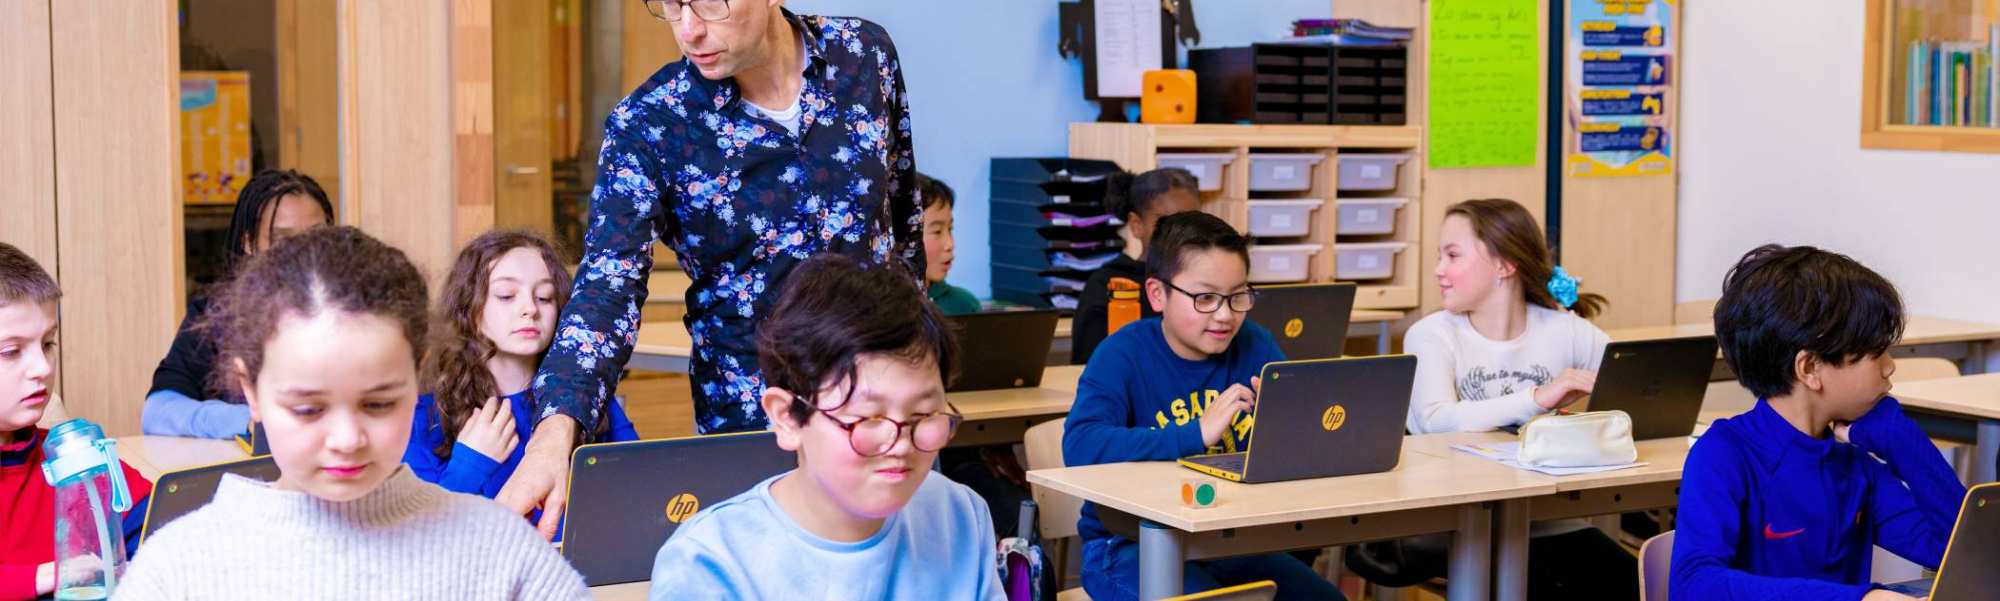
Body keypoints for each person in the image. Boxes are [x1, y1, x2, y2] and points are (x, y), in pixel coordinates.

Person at [508, 0, 923, 538]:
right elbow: (606, 290)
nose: (689, 30)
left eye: (709, 4)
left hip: (882, 408)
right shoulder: (650, 125)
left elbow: (903, 221)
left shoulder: (864, 55)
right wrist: (554, 429)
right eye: (669, 6)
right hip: (756, 422)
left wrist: (922, 373)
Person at [116, 227, 588, 600]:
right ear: (251, 392)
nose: (346, 438)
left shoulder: (501, 548)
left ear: (417, 372)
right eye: (307, 408)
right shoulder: (181, 570)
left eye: (379, 403)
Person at [649, 254, 1002, 600]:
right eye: (869, 418)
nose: (900, 444)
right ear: (786, 417)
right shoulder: (711, 563)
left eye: (924, 414)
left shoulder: (959, 515)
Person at [1062, 213, 1343, 601]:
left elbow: (1303, 440)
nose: (1226, 314)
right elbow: (1080, 447)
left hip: (1229, 543)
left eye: (1238, 295)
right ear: (1158, 294)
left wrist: (1287, 420)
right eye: (1206, 298)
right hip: (1128, 545)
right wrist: (1193, 434)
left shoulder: (1255, 344)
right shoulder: (1122, 354)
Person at [1671, 244, 1962, 601]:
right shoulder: (1724, 453)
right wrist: (1860, 599)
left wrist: (1901, 439)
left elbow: (1955, 553)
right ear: (1809, 369)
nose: (1890, 366)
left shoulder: (1853, 464)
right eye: (1875, 353)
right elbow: (1694, 586)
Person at [1400, 198, 1633, 599]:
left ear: (1504, 265)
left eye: (1452, 255)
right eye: (1440, 256)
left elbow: (1630, 380)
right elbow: (1433, 421)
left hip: (1549, 519)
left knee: (1630, 582)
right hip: (1457, 522)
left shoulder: (1565, 329)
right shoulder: (1431, 335)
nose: (1438, 269)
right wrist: (1538, 398)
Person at [404, 231, 638, 501]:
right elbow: (422, 530)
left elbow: (641, 483)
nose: (530, 308)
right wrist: (469, 466)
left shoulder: (589, 400)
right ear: (467, 305)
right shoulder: (427, 416)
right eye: (506, 295)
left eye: (545, 297)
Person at [0, 243, 153, 601]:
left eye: (48, 343)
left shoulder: (66, 453)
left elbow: (160, 524)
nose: (42, 368)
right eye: (11, 351)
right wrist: (41, 578)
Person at [144, 169, 334, 439]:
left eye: (317, 237)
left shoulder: (354, 313)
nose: (303, 252)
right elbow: (157, 411)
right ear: (249, 243)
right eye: (284, 240)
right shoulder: (216, 316)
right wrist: (251, 419)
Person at [1070, 168, 1200, 364]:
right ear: (1137, 225)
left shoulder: (1208, 282)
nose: (1181, 233)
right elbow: (1088, 366)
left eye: (1192, 221)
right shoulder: (1108, 284)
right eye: (1165, 222)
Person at [917, 173, 979, 315]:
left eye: (950, 229)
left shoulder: (963, 304)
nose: (950, 244)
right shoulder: (881, 309)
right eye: (937, 231)